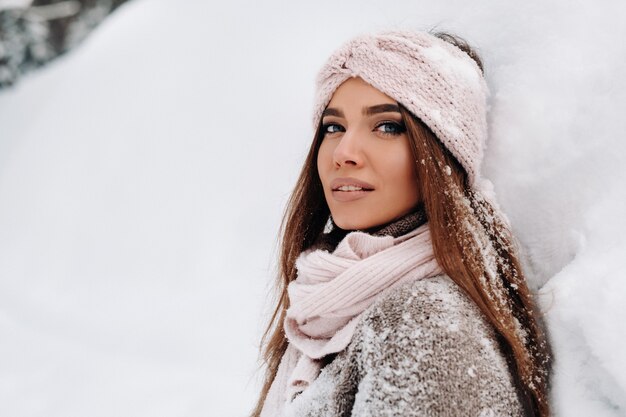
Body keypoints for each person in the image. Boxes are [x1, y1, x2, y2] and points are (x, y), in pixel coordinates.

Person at [252, 30, 552, 417]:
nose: (344, 153)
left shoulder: (423, 321)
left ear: (441, 154)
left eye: (387, 127)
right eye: (333, 127)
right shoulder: (320, 313)